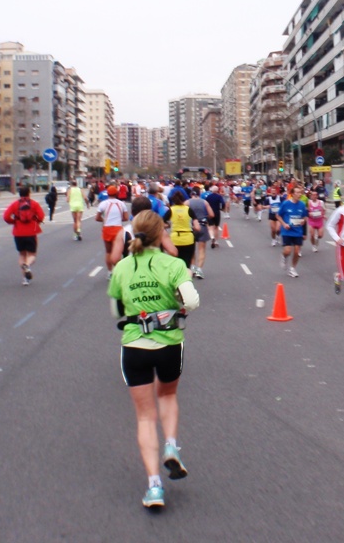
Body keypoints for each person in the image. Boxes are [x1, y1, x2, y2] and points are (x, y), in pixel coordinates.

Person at [108, 210, 200, 508]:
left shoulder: (122, 267)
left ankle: (154, 486)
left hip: (134, 346)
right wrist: (174, 306)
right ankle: (171, 447)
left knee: (145, 417)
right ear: (162, 233)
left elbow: (115, 312)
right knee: (168, 396)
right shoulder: (174, 264)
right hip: (170, 344)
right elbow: (192, 301)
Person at [3, 186, 45, 285]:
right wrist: (36, 222)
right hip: (31, 232)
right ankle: (27, 265)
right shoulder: (34, 204)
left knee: (22, 254)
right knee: (32, 254)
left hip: (18, 232)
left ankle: (25, 279)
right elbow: (41, 216)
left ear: (19, 194)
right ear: (29, 193)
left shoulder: (15, 204)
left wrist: (13, 222)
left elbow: (6, 216)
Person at [97, 185, 131, 278]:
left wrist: (104, 220)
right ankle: (119, 272)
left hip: (107, 229)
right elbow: (126, 218)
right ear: (117, 193)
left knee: (108, 252)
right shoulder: (121, 204)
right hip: (118, 230)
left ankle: (109, 272)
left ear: (107, 193)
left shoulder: (103, 204)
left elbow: (97, 217)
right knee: (118, 252)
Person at [278, 185, 307, 277]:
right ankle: (284, 257)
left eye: (300, 193)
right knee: (287, 251)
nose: (299, 194)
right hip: (287, 231)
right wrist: (284, 224)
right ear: (292, 194)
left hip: (298, 231)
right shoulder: (285, 204)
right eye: (297, 193)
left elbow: (305, 216)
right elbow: (278, 216)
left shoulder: (302, 204)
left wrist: (303, 221)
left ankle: (293, 268)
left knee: (297, 252)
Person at [166, 191, 200, 271]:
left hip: (175, 239)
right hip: (188, 239)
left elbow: (161, 222)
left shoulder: (171, 210)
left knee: (174, 262)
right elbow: (197, 227)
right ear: (183, 200)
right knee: (187, 262)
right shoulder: (189, 210)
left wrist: (169, 225)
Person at [186, 191, 213, 279]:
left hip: (191, 227)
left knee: (191, 249)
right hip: (202, 226)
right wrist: (204, 217)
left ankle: (193, 268)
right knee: (201, 249)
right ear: (199, 193)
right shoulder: (204, 202)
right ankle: (199, 270)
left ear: (191, 195)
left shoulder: (187, 202)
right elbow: (212, 214)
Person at [204, 185, 226, 249]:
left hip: (210, 213)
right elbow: (223, 203)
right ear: (217, 190)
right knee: (216, 227)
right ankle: (216, 241)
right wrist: (222, 208)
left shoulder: (208, 197)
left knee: (211, 227)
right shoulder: (219, 196)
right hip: (217, 212)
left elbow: (205, 204)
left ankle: (212, 237)